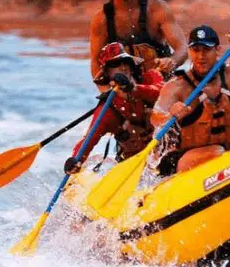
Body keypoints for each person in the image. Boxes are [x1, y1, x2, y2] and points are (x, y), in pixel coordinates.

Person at [151, 25, 230, 175]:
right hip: (186, 162)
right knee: (217, 152)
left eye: (206, 50)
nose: (200, 56)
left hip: (225, 157)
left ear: (217, 50)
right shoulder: (178, 86)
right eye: (196, 50)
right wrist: (169, 115)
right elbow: (155, 116)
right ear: (189, 52)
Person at [88, 0, 187, 88]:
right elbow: (95, 63)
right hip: (123, 91)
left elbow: (183, 48)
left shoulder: (158, 9)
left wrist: (172, 61)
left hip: (160, 86)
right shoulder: (101, 19)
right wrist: (106, 92)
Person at [64, 43, 164, 173]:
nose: (122, 67)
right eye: (115, 64)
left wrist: (134, 89)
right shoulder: (107, 110)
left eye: (125, 62)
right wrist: (76, 159)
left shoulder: (151, 77)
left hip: (167, 153)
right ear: (107, 73)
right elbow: (88, 140)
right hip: (134, 165)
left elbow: (163, 92)